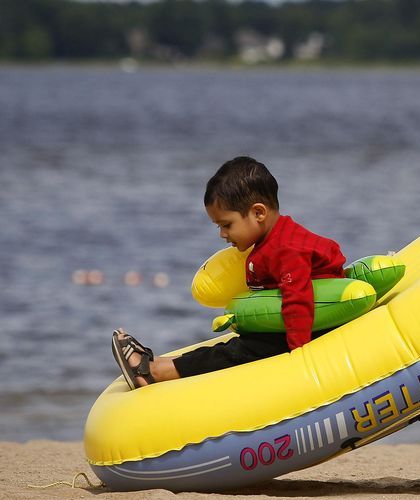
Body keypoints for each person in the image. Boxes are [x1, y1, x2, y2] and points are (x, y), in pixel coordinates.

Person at [112, 156, 346, 389]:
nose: (222, 234)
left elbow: (298, 301)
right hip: (287, 329)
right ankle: (162, 364)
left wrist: (299, 359)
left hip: (314, 331)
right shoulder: (271, 240)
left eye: (226, 225)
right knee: (228, 348)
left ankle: (154, 372)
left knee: (237, 352)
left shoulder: (287, 249)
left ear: (258, 213)